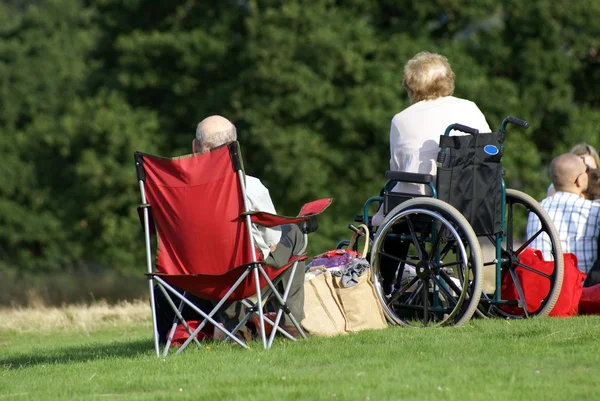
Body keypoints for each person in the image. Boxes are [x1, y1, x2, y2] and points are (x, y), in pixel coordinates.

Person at [372, 51, 491, 294]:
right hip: (477, 200)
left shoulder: (401, 120)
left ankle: (382, 287)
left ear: (411, 85)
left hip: (427, 203)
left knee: (389, 207)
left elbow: (397, 168)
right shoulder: (470, 108)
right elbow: (487, 155)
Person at [193, 115, 306, 338]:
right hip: (246, 275)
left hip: (194, 276)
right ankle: (288, 322)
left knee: (217, 257)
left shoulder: (175, 192)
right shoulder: (248, 185)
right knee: (294, 231)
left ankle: (236, 328)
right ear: (234, 148)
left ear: (195, 147)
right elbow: (272, 240)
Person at [526, 153, 600, 274]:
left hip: (546, 287)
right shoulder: (594, 210)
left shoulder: (536, 209)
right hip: (583, 288)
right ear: (579, 180)